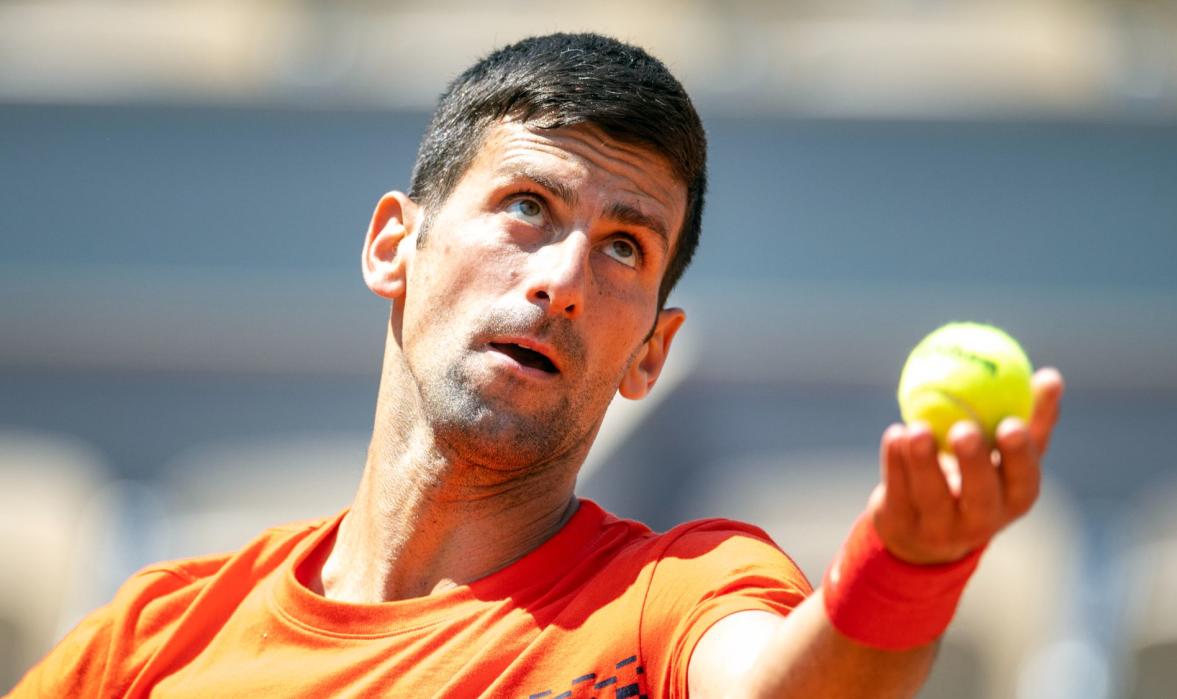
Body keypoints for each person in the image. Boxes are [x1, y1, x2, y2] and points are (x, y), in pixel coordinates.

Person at [9, 33, 1063, 698]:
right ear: (394, 246)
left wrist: (911, 567)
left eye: (624, 247)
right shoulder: (155, 639)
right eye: (529, 207)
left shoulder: (677, 595)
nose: (562, 278)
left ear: (652, 351)